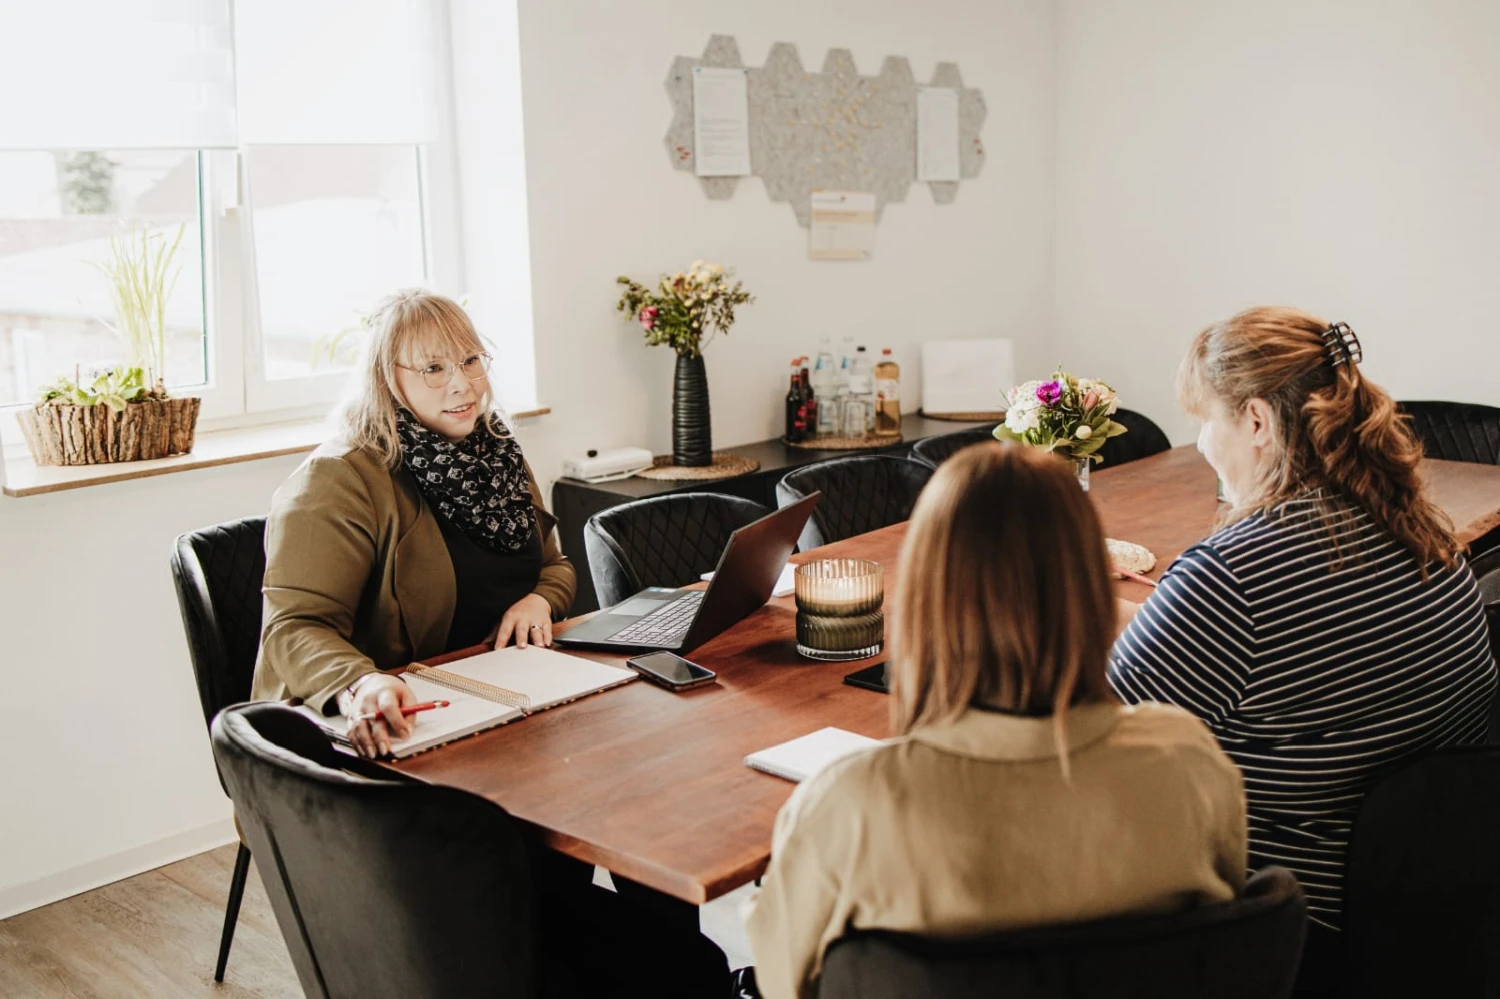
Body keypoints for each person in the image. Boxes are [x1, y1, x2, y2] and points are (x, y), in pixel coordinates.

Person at [251, 288, 727, 996]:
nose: (463, 383)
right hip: (408, 736)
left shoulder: (495, 450)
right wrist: (364, 681)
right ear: (390, 381)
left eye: (471, 359)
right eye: (434, 368)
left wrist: (540, 597)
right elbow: (294, 626)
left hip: (514, 709)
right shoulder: (342, 478)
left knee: (647, 801)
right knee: (641, 930)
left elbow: (554, 563)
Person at [743, 444, 1248, 999]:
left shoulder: (852, 805)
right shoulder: (1188, 764)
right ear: (1090, 588)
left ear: (924, 597)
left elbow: (780, 980)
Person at [1109, 307, 1498, 992]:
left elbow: (1088, 733)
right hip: (1431, 906)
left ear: (1257, 421)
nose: (1201, 443)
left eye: (1208, 419)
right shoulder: (1425, 533)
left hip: (1288, 926)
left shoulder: (1230, 579)